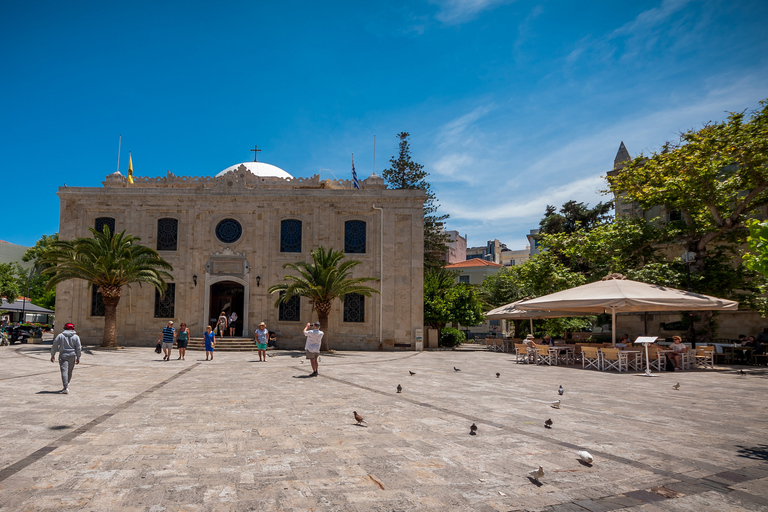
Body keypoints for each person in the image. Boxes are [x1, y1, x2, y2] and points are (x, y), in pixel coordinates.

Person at [50, 322, 82, 394]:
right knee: (69, 371)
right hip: (72, 355)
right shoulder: (76, 337)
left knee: (64, 371)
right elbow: (78, 348)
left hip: (63, 355)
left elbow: (54, 346)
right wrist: (78, 357)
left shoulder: (60, 336)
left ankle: (65, 388)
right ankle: (66, 385)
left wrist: (52, 355)